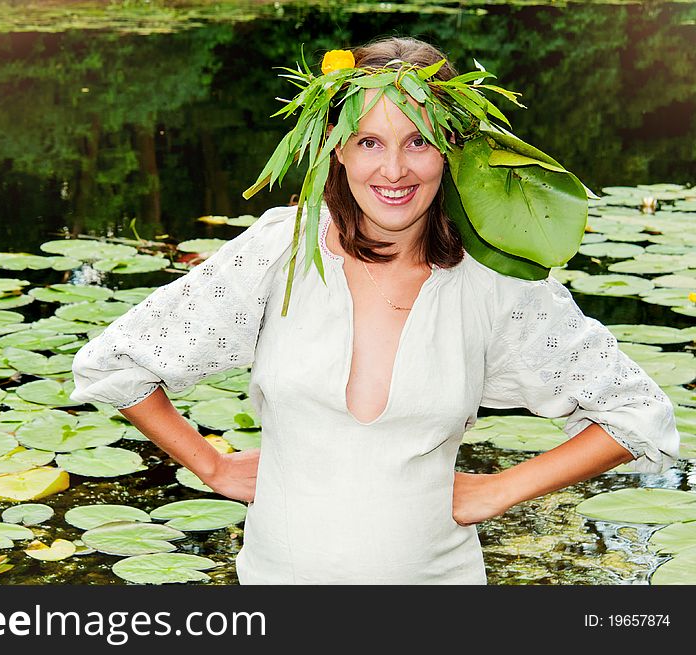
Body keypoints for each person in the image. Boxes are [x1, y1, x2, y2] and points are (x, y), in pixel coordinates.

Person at [70, 36, 680, 584]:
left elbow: (636, 413)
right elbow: (116, 363)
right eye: (369, 142)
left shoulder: (496, 275)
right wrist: (212, 467)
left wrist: (497, 491)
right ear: (336, 150)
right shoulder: (282, 248)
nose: (394, 169)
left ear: (455, 151)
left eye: (419, 141)